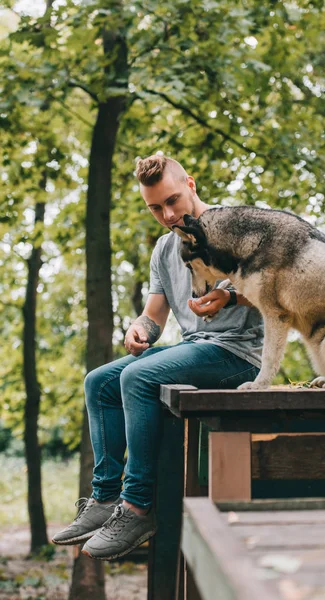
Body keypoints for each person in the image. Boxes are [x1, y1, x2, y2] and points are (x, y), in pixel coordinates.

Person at [52, 155, 263, 560]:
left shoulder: (234, 228)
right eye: (155, 208)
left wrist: (231, 295)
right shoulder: (165, 249)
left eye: (172, 201)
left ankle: (136, 508)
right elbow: (153, 317)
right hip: (193, 348)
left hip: (239, 354)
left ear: (191, 185)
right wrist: (139, 331)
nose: (167, 215)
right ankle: (104, 499)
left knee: (138, 379)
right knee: (99, 382)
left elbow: (276, 290)